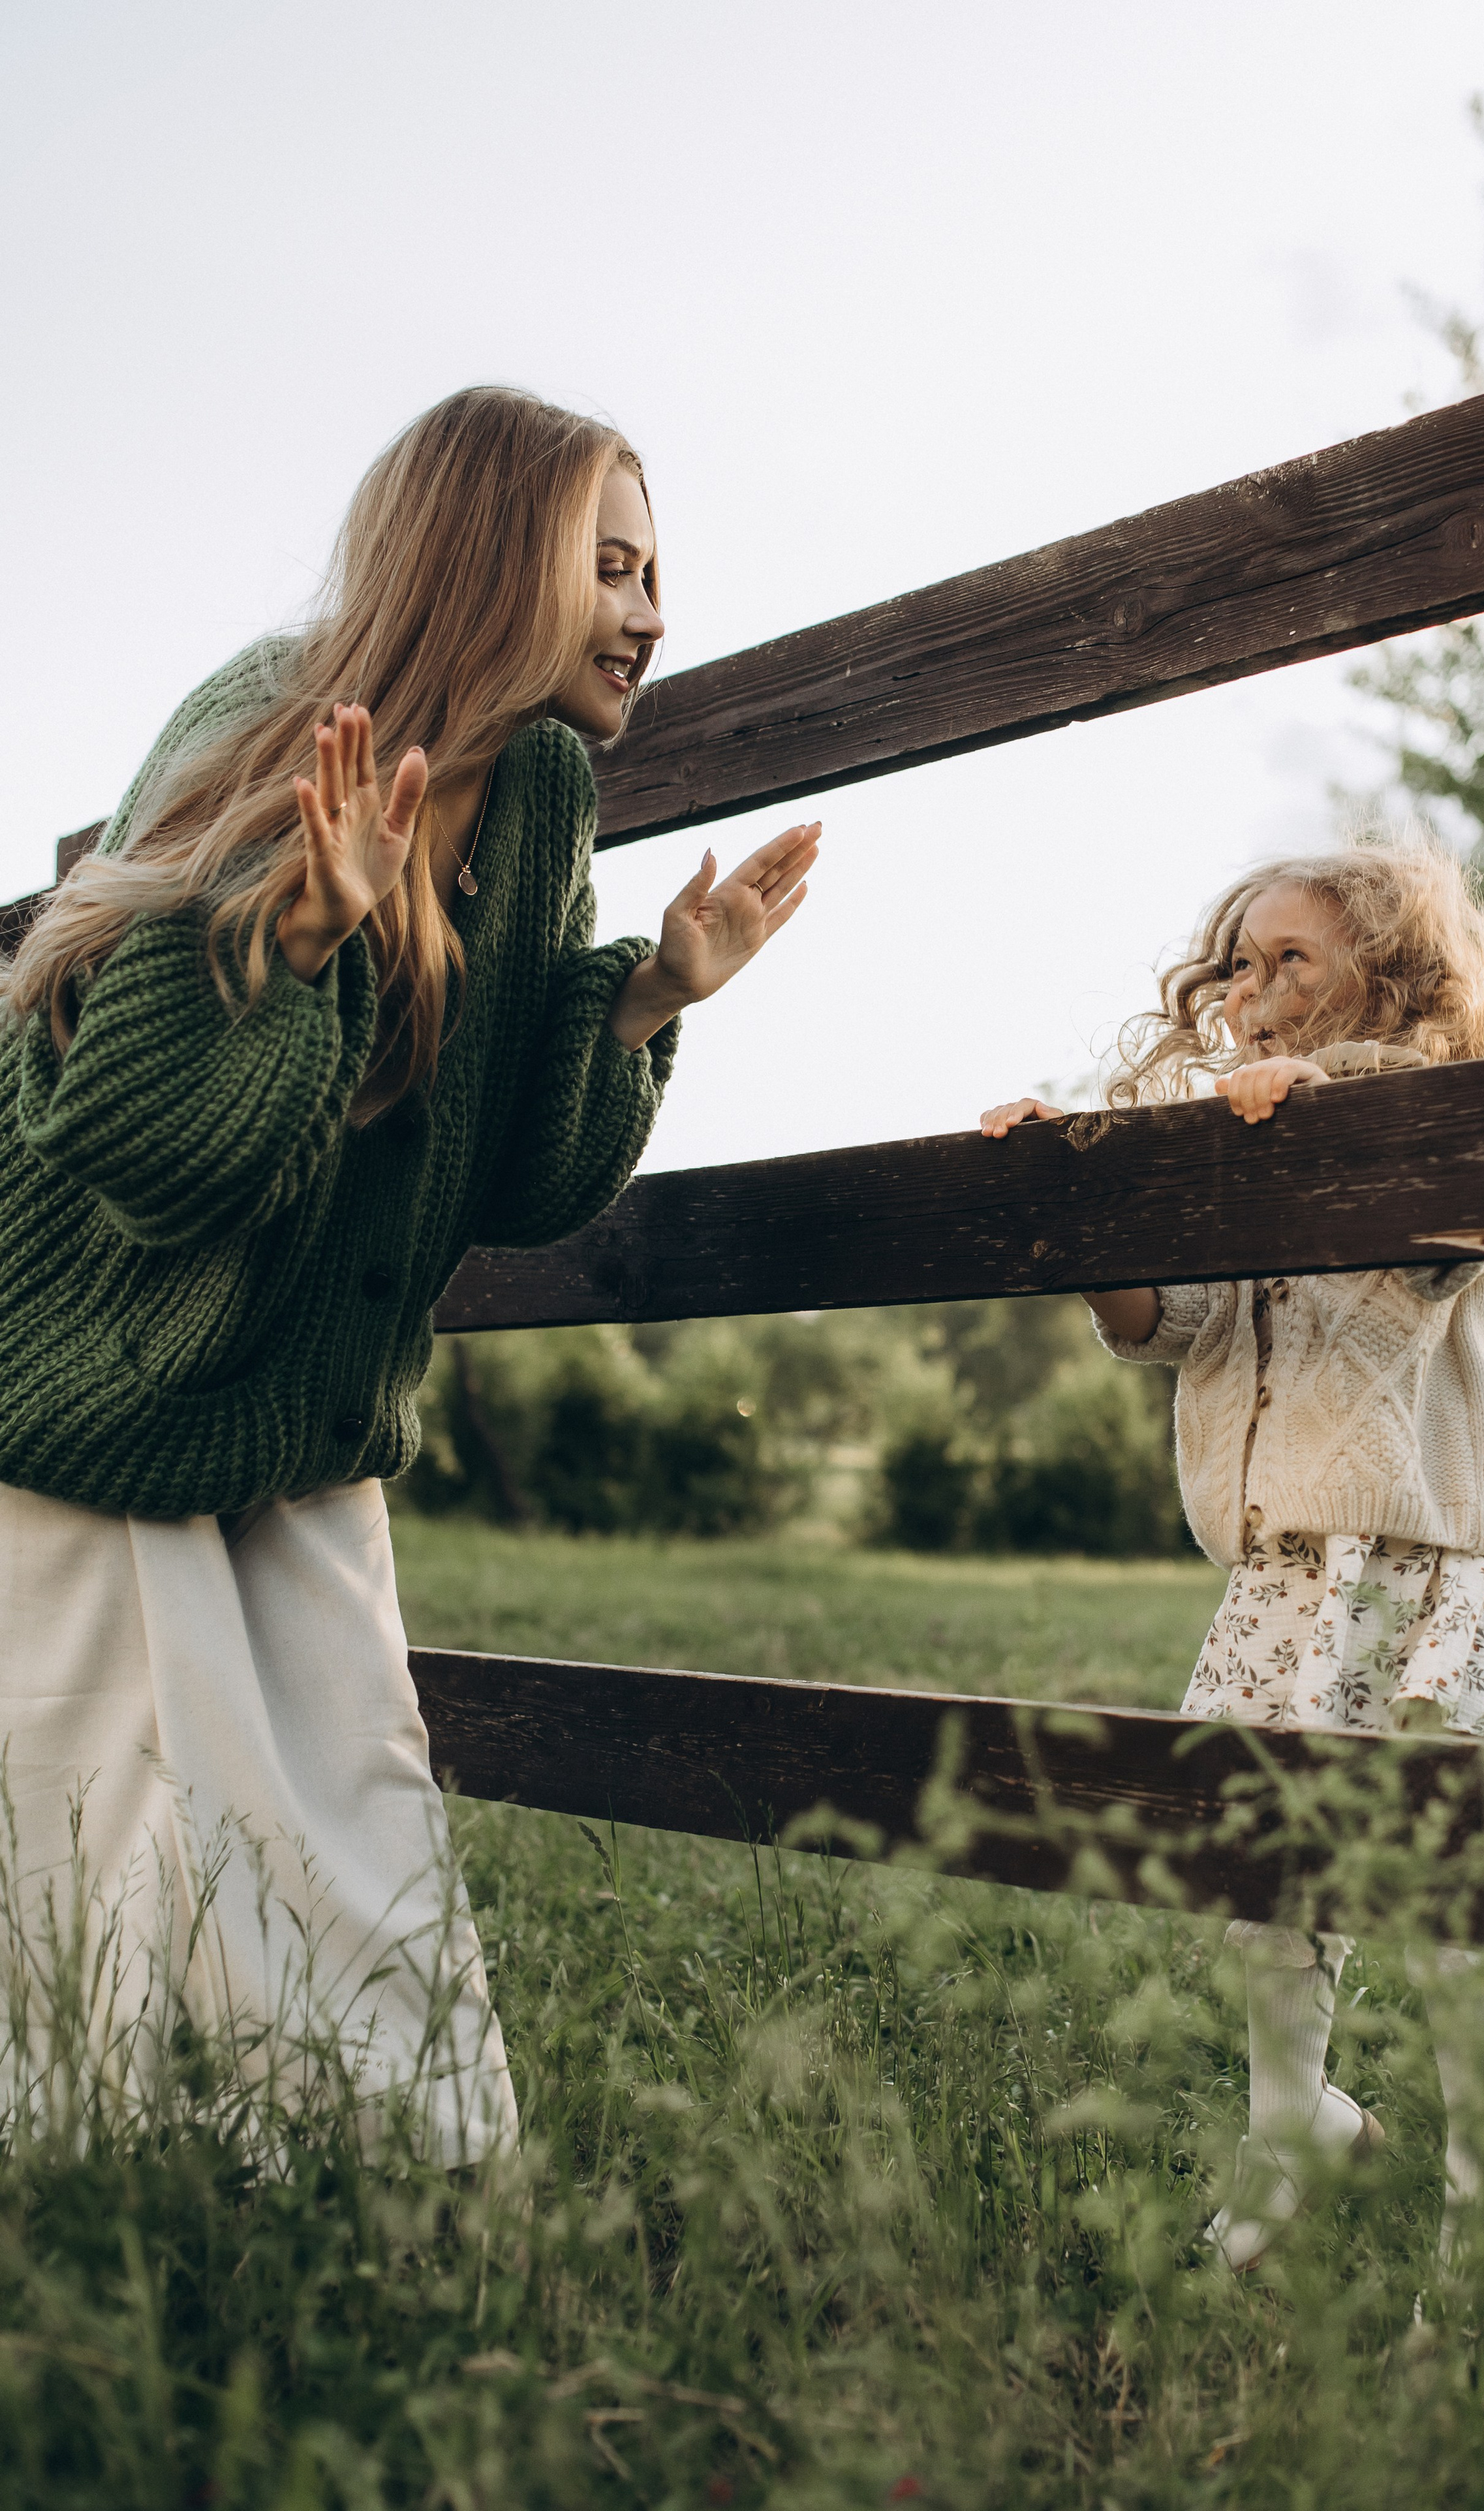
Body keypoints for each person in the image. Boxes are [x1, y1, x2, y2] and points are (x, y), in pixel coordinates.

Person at [0, 386, 818, 2159]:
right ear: (491, 556)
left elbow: (523, 1178)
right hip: (94, 1388)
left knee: (358, 1806)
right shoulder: (268, 723)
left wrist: (648, 998)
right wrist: (299, 934)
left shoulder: (542, 795)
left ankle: (409, 2178)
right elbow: (137, 1150)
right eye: (612, 565)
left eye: (658, 570)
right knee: (91, 1839)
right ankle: (95, 2192)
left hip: (306, 1406)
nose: (653, 611)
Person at [980, 839, 1484, 2274]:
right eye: (1237, 965)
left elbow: (1446, 1248)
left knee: (1441, 1881)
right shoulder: (1244, 1136)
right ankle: (1290, 2127)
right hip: (1284, 1564)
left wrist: (1328, 1104)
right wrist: (1073, 1210)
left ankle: (1483, 2219)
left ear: (1391, 972)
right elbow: (1181, 1322)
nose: (1250, 992)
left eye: (1290, 959)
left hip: (1416, 1562)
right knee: (1257, 1860)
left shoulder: (1453, 1117)